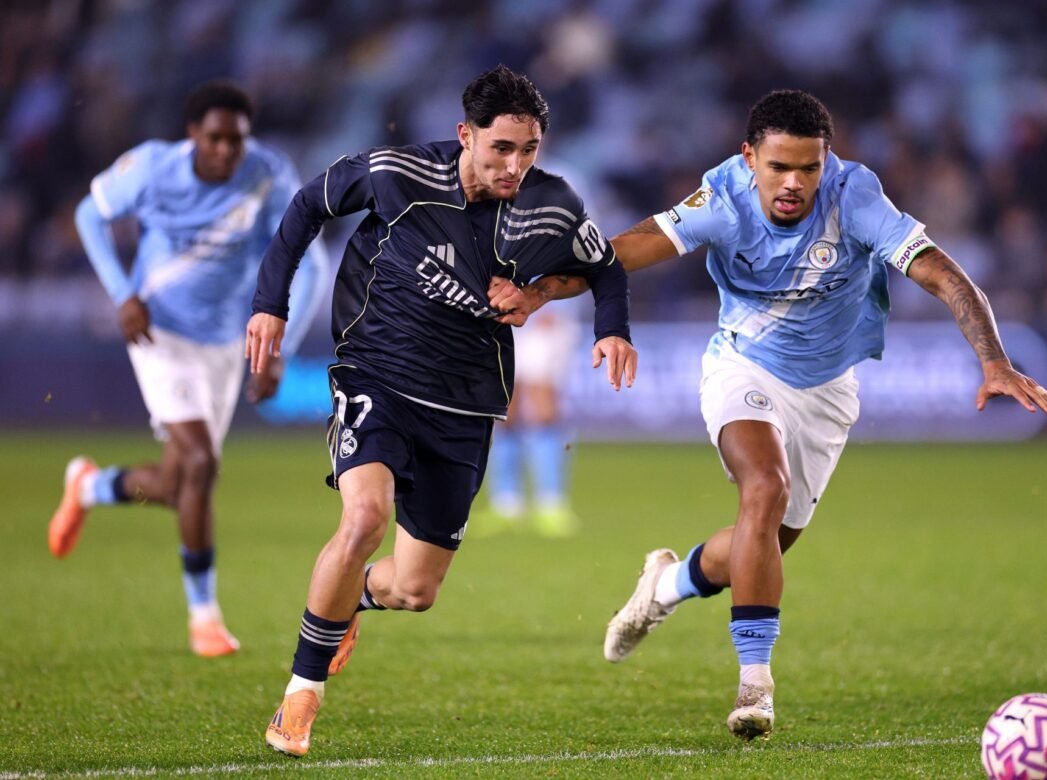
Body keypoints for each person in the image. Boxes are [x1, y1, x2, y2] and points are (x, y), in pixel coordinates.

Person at [489, 89, 1047, 741]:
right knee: (764, 487)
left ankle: (666, 585)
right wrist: (539, 292)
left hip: (829, 390)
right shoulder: (722, 198)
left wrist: (993, 359)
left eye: (809, 168)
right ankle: (755, 685)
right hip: (743, 365)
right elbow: (620, 252)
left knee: (761, 542)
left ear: (826, 161)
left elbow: (941, 273)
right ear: (749, 158)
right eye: (779, 167)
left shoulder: (855, 196)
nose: (794, 183)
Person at [246, 65, 637, 758]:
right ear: (466, 135)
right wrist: (269, 303)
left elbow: (603, 267)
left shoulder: (551, 204)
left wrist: (604, 325)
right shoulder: (397, 173)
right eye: (501, 149)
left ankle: (352, 598)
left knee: (414, 590)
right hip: (377, 373)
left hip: (465, 403)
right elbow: (308, 206)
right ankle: (300, 696)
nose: (515, 165)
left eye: (529, 149)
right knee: (364, 518)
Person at [49, 80, 329, 658]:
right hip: (160, 330)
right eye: (216, 138)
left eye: (237, 140)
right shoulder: (153, 168)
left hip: (225, 340)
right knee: (202, 462)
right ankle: (204, 617)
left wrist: (279, 346)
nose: (227, 151)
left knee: (181, 486)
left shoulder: (268, 175)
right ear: (193, 134)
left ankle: (90, 486)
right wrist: (123, 294)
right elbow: (88, 216)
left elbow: (312, 262)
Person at [476, 303, 583, 537]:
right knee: (505, 410)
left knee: (544, 410)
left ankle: (551, 503)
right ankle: (507, 504)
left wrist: (556, 306)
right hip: (503, 316)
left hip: (546, 315)